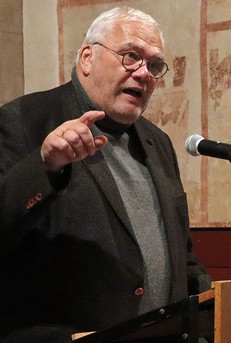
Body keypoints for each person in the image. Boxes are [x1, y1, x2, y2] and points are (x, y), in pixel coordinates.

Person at [0, 7, 211, 343]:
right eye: (131, 56)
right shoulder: (24, 121)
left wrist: (206, 308)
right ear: (87, 57)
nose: (143, 73)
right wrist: (45, 167)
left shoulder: (158, 142)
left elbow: (180, 251)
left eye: (154, 64)